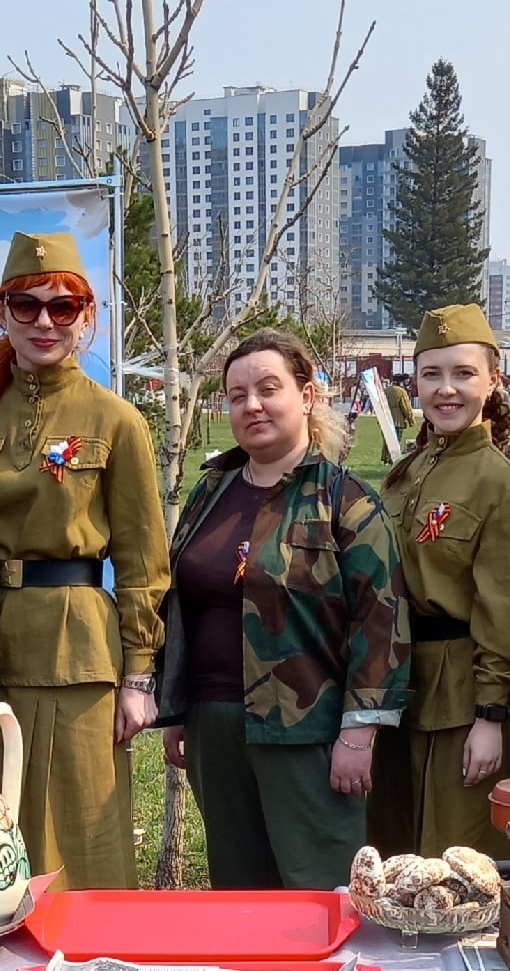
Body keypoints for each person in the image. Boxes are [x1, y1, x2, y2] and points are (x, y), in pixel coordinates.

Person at [0, 230, 169, 885]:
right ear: (1, 312)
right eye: (27, 304)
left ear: (87, 317)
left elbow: (142, 558)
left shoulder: (115, 419)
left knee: (88, 825)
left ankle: (98, 968)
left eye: (64, 307)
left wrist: (138, 676)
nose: (45, 320)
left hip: (82, 654)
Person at [159, 330, 409, 887]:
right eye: (237, 394)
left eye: (269, 389)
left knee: (319, 887)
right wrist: (175, 711)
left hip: (307, 733)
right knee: (238, 888)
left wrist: (357, 734)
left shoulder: (346, 500)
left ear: (307, 394)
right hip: (214, 725)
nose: (252, 405)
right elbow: (181, 604)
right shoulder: (211, 492)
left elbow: (382, 622)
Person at [370, 303, 510, 859]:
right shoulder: (408, 470)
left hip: (459, 695)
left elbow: (502, 606)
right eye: (432, 374)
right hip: (396, 685)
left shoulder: (497, 481)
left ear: (492, 378)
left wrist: (490, 716)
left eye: (463, 373)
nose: (446, 390)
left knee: (451, 856)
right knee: (392, 850)